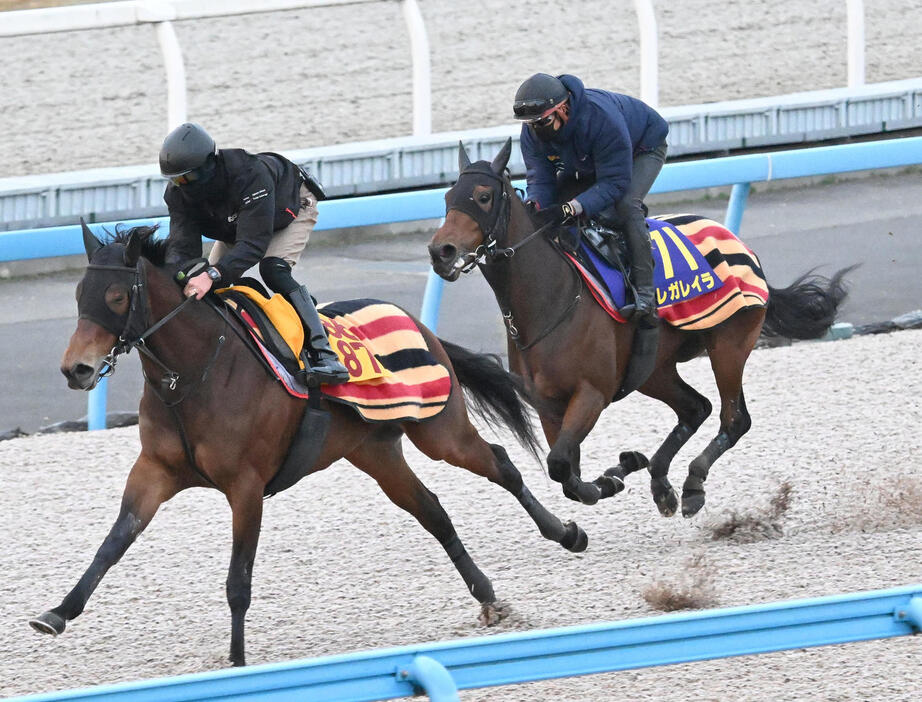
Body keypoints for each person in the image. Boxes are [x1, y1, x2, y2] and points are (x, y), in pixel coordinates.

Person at [159, 122, 350, 385]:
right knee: (204, 286)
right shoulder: (178, 193)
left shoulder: (250, 174)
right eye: (177, 180)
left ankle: (325, 354)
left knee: (273, 270)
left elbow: (253, 244)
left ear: (209, 165)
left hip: (290, 208)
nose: (183, 185)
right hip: (240, 221)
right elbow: (183, 250)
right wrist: (177, 276)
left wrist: (212, 273)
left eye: (188, 177)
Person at [513, 73, 669, 326]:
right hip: (589, 160)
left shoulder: (601, 119)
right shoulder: (533, 131)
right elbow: (540, 179)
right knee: (548, 214)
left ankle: (645, 294)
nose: (535, 130)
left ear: (563, 109)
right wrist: (536, 206)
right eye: (530, 124)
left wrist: (572, 207)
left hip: (642, 149)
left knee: (626, 205)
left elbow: (614, 183)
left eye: (541, 122)